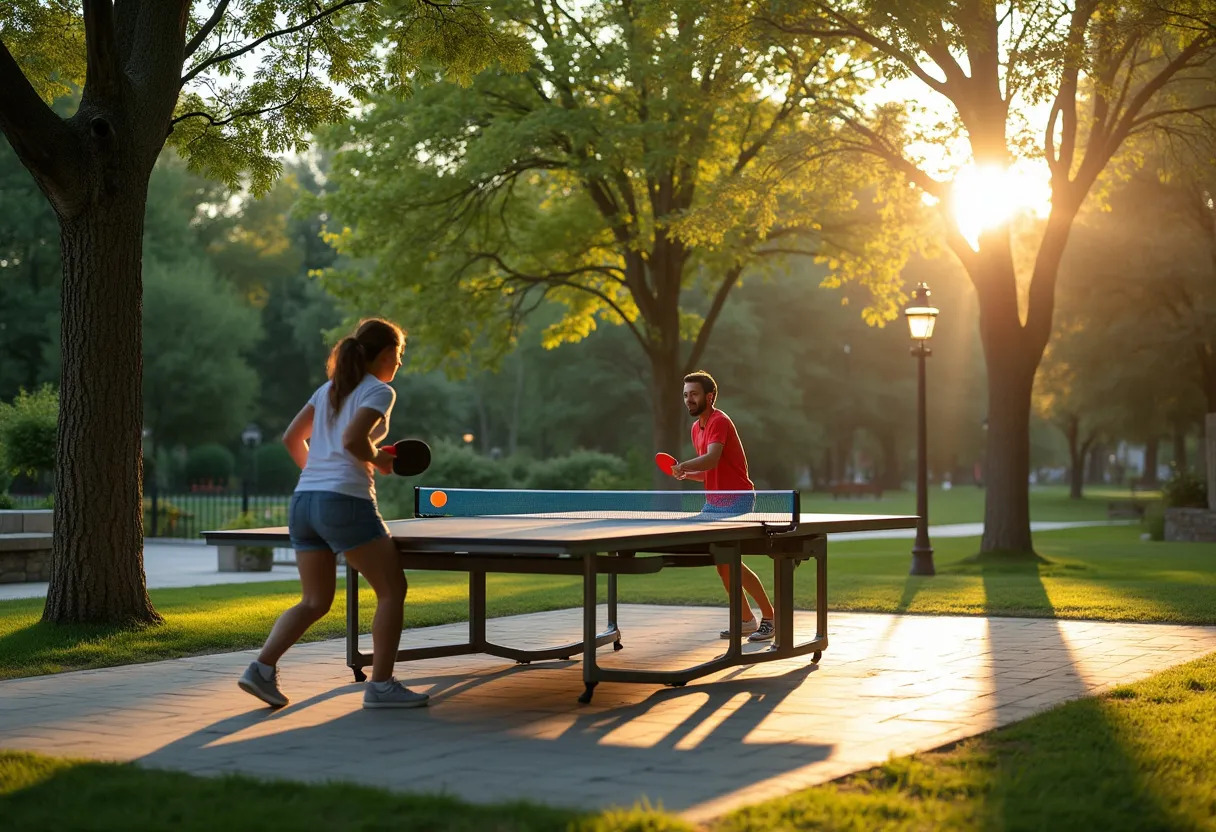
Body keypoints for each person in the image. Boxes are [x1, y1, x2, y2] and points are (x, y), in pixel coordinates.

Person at [238, 317, 429, 710]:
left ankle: (261, 669)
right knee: (393, 590)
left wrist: (320, 474)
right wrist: (379, 460)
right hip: (343, 502)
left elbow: (293, 438)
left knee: (314, 601)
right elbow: (353, 440)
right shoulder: (380, 390)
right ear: (388, 353)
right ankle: (381, 686)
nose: (400, 364)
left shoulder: (328, 389)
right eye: (400, 355)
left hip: (305, 502)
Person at [668, 371, 775, 642]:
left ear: (710, 396)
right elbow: (708, 469)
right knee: (723, 563)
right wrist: (687, 473)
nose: (688, 400)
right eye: (685, 395)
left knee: (731, 560)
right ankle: (747, 620)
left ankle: (772, 618)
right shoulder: (696, 428)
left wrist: (685, 465)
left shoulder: (720, 421)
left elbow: (712, 459)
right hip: (713, 503)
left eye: (693, 394)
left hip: (737, 499)